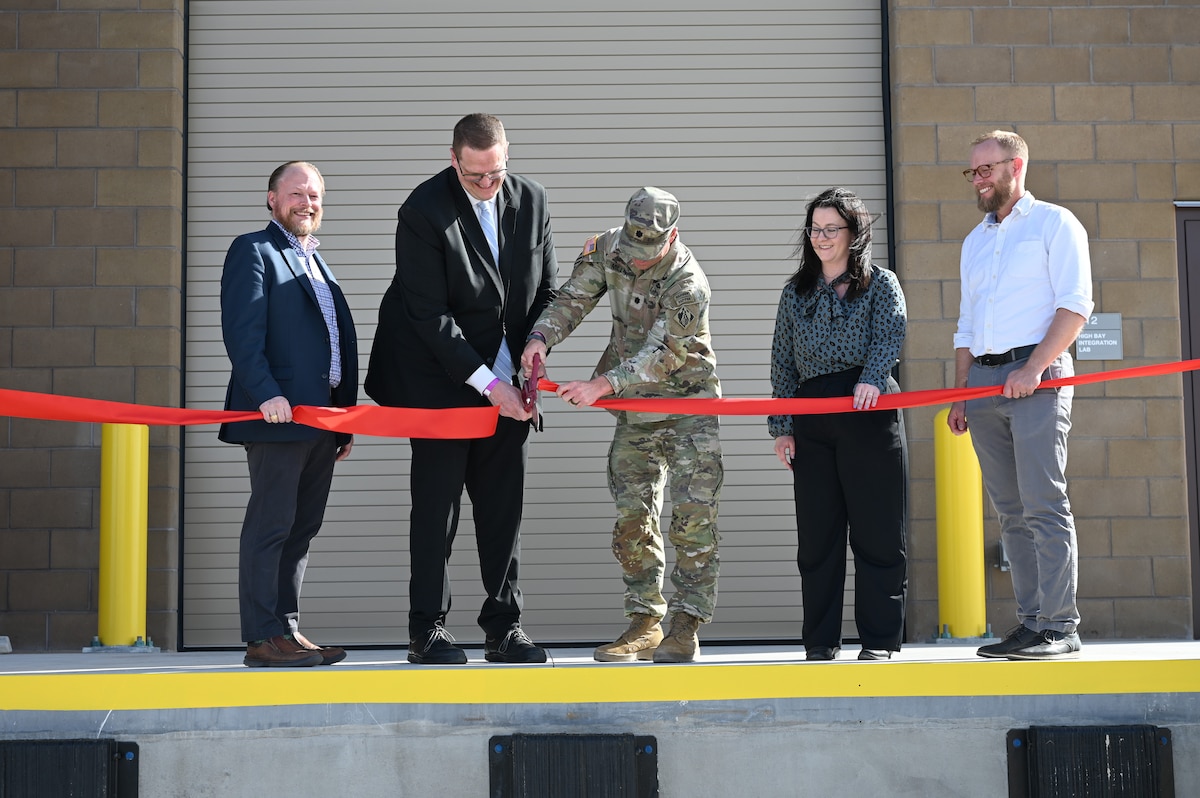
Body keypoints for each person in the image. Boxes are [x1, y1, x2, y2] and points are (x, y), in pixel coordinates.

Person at [365, 113, 557, 665]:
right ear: (455, 161)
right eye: (476, 176)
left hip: (510, 383)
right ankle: (426, 629)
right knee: (437, 509)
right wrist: (488, 384)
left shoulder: (533, 200)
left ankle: (505, 627)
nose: (489, 185)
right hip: (438, 381)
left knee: (503, 509)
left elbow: (545, 288)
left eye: (497, 173)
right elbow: (428, 315)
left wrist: (537, 345)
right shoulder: (423, 210)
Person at [521, 187, 723, 664]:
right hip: (635, 408)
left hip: (688, 407)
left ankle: (685, 625)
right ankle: (645, 622)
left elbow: (668, 355)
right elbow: (572, 297)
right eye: (633, 252)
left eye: (648, 252)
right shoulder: (609, 248)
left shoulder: (687, 282)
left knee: (693, 521)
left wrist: (601, 386)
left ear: (672, 236)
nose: (637, 262)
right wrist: (539, 339)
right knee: (632, 516)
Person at [948, 130, 1093, 661]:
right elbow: (966, 324)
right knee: (1009, 511)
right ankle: (1031, 623)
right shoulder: (975, 241)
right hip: (984, 382)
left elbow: (1076, 305)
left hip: (1039, 374)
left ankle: (1060, 626)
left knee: (1044, 503)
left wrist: (1034, 368)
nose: (978, 180)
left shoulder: (1055, 223)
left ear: (1017, 166)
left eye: (986, 169)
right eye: (973, 172)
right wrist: (962, 393)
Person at [219, 161, 357, 668]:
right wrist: (264, 394)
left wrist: (344, 417)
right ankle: (260, 638)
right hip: (277, 417)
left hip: (322, 422)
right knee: (271, 525)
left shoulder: (315, 261)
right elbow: (243, 333)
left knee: (301, 528)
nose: (307, 203)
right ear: (272, 199)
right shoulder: (254, 250)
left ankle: (286, 630)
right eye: (296, 193)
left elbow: (332, 345)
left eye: (315, 195)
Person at [768, 187, 908, 662]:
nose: (821, 238)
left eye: (832, 229)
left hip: (867, 413)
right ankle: (821, 642)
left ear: (855, 233)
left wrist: (871, 379)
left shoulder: (881, 284)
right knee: (818, 539)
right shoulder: (795, 292)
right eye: (815, 229)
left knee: (877, 535)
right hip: (812, 418)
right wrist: (782, 426)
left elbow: (891, 333)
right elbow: (782, 362)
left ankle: (879, 642)